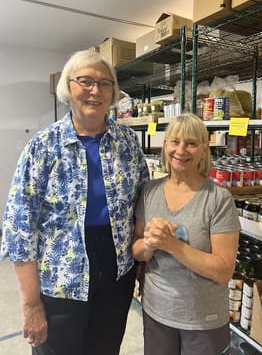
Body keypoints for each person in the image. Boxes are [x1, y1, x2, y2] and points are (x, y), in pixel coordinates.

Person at [0, 49, 149, 355]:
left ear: (113, 93)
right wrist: (30, 305)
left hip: (116, 272)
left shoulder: (128, 142)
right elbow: (19, 230)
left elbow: (143, 205)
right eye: (85, 81)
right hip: (60, 277)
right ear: (68, 88)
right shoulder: (42, 146)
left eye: (105, 83)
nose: (95, 90)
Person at [132, 113, 241, 355]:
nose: (181, 150)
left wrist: (173, 245)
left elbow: (223, 271)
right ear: (165, 146)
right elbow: (136, 249)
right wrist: (150, 244)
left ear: (204, 149)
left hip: (203, 318)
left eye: (191, 143)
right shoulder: (150, 191)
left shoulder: (218, 199)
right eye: (175, 141)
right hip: (156, 312)